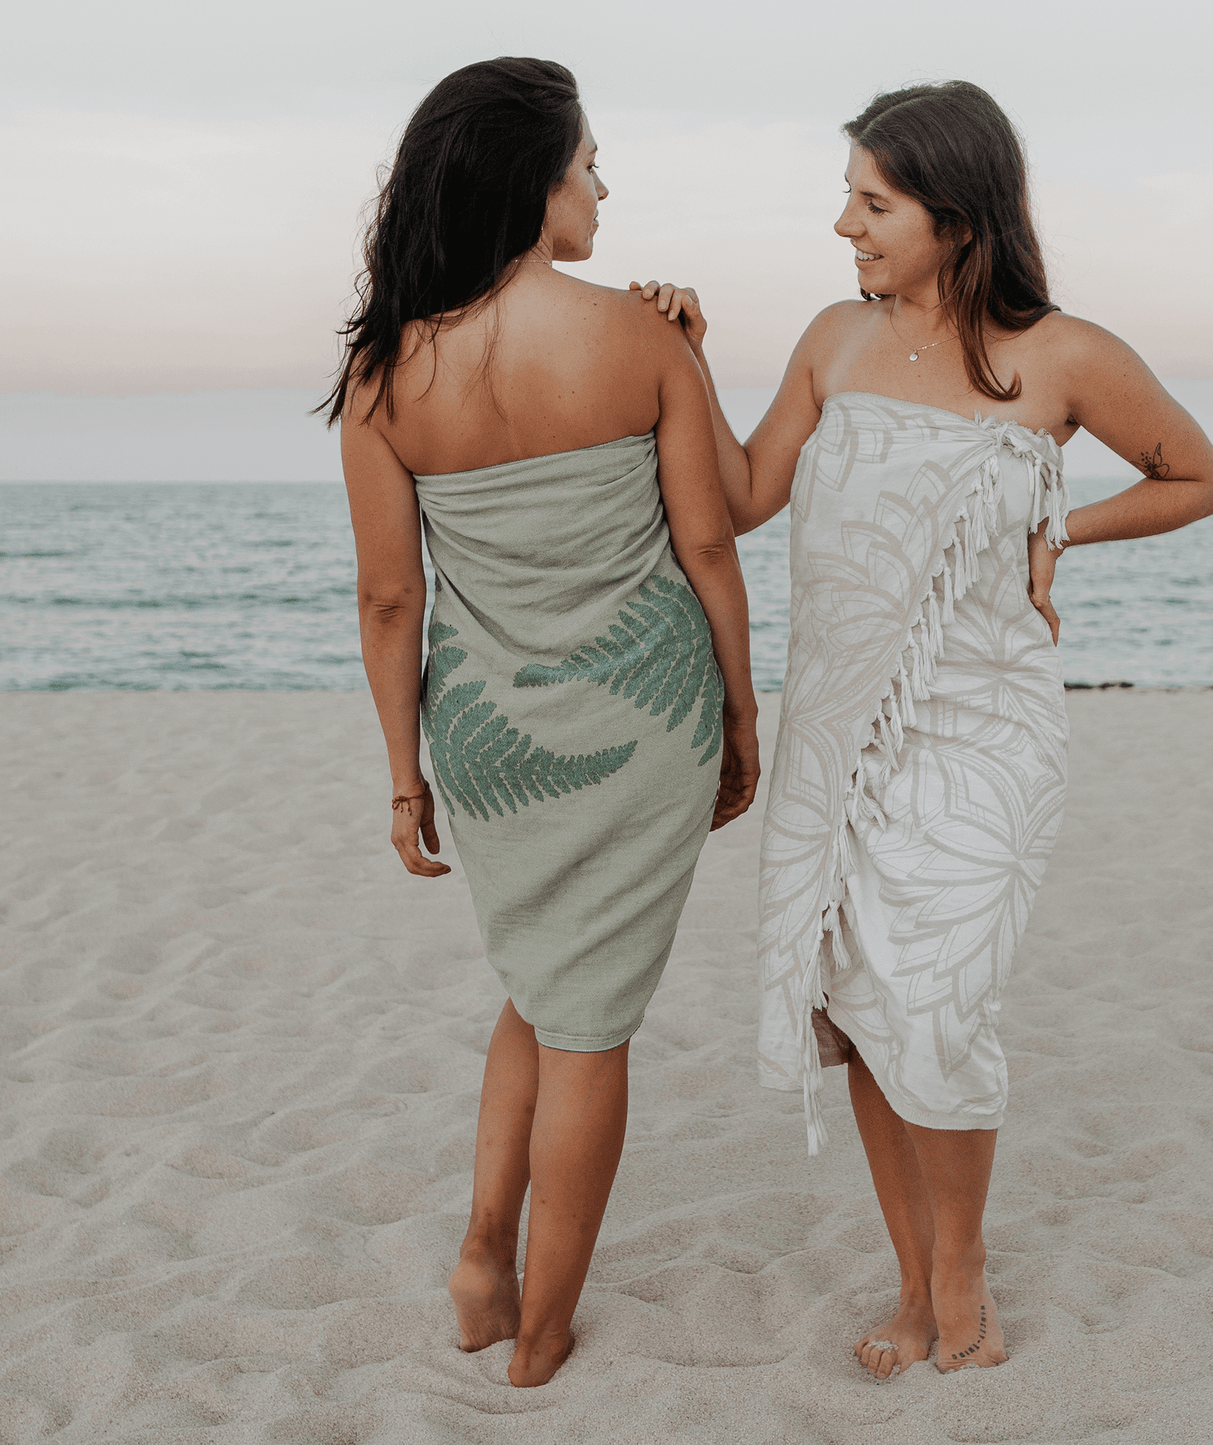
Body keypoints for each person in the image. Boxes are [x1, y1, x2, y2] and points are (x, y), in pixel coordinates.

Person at [634, 79, 1213, 1379]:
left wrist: (1060, 524)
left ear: (958, 218)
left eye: (873, 200)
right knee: (858, 1001)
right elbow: (737, 499)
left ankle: (965, 1283)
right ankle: (918, 1291)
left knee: (940, 1007)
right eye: (849, 194)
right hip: (838, 733)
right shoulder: (831, 341)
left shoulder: (1063, 355)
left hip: (985, 736)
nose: (843, 222)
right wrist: (681, 356)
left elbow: (1197, 477)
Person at [325, 57, 759, 1388]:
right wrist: (746, 719)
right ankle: (548, 1324)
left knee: (541, 985)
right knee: (591, 1026)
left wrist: (405, 780)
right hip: (643, 733)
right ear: (534, 179)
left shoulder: (383, 371)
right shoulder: (637, 340)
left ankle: (480, 1258)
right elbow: (715, 533)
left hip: (489, 740)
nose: (602, 186)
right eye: (588, 164)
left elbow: (392, 600)